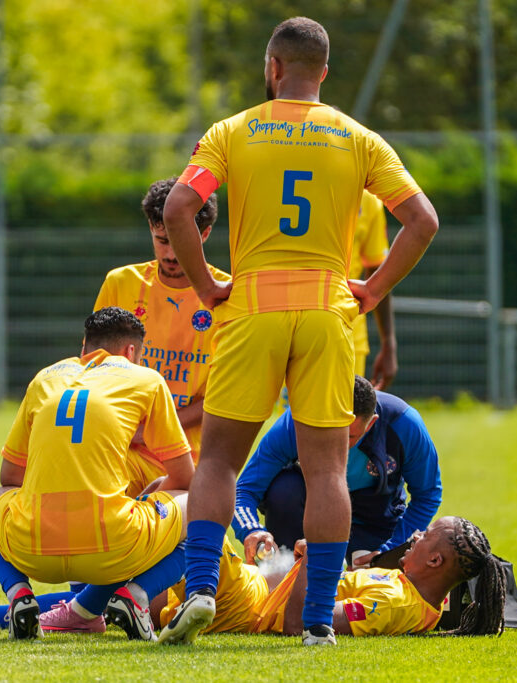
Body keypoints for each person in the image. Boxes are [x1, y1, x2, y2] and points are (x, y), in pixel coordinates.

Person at [158, 16, 439, 646]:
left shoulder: (231, 132)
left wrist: (206, 286)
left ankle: (202, 587)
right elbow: (422, 221)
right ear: (325, 73)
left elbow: (179, 206)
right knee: (327, 472)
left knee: (221, 460)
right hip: (325, 314)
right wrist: (375, 287)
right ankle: (316, 622)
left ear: (272, 68)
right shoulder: (358, 138)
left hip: (254, 306)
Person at [0, 307, 195, 640]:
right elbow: (186, 477)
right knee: (201, 503)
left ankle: (19, 594)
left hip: (32, 550)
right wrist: (151, 497)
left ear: (84, 347)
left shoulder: (44, 378)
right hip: (113, 549)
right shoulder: (147, 380)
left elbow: (9, 477)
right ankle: (136, 595)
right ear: (131, 352)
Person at [156, 516, 505, 638]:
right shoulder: (410, 591)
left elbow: (302, 623)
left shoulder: (397, 605)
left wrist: (316, 555)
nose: (415, 535)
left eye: (425, 534)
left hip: (246, 605)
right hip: (252, 583)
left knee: (195, 509)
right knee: (171, 514)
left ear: (434, 560)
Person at [233, 376, 441, 567]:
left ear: (371, 423)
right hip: (312, 516)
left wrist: (388, 551)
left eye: (349, 437)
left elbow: (427, 495)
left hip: (375, 521)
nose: (337, 444)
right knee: (284, 490)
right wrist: (252, 530)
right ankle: (283, 575)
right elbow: (245, 489)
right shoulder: (298, 421)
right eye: (331, 431)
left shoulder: (404, 424)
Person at [94, 177, 226, 470]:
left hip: (189, 458)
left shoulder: (229, 295)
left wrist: (156, 431)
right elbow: (94, 366)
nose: (170, 254)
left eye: (180, 242)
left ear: (204, 234)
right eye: (162, 241)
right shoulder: (121, 283)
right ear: (151, 231)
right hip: (123, 447)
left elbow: (225, 393)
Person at [353, 192, 397, 389]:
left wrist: (388, 342)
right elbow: (422, 221)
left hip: (348, 330)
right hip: (291, 323)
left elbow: (376, 270)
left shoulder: (368, 200)